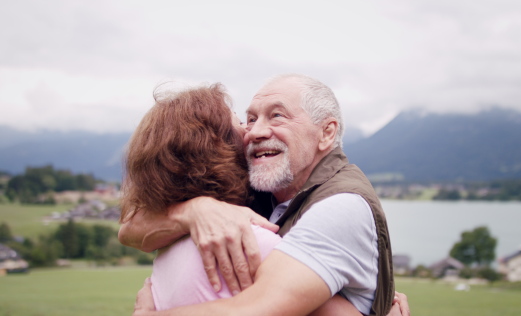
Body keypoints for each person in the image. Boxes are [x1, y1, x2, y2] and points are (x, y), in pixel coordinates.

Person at [120, 74, 409, 316]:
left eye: (277, 115)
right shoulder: (254, 190)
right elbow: (129, 228)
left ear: (326, 133)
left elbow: (257, 309)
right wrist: (195, 210)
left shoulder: (341, 206)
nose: (255, 132)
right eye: (248, 119)